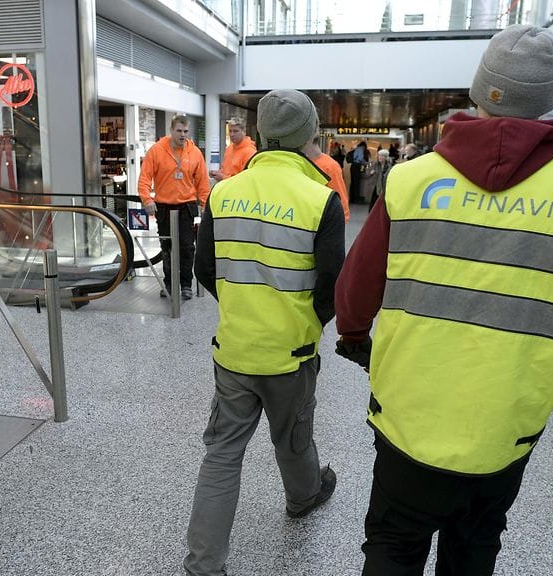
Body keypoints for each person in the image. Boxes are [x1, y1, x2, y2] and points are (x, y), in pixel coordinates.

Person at [334, 25, 553, 575]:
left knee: (394, 543)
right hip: (507, 423)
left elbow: (355, 292)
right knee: (475, 546)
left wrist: (354, 336)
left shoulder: (411, 180)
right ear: (549, 100)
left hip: (408, 414)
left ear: (478, 89)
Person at [185, 89, 346, 576]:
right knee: (293, 436)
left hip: (233, 349)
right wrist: (306, 322)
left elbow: (205, 269)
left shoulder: (224, 192)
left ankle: (203, 566)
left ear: (260, 136)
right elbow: (333, 286)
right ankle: (302, 496)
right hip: (291, 353)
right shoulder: (322, 200)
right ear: (308, 137)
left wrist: (242, 307)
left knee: (221, 454)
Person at [138, 115, 210, 300]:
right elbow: (145, 178)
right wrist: (147, 200)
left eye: (186, 131)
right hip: (163, 208)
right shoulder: (156, 151)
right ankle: (169, 284)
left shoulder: (194, 153)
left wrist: (204, 206)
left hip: (186, 207)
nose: (183, 135)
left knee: (187, 248)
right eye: (179, 131)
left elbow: (202, 182)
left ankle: (186, 284)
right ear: (171, 130)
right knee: (167, 248)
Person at [305, 136, 350, 222]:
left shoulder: (330, 166)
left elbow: (340, 197)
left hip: (321, 221)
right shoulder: (300, 162)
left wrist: (341, 220)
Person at [208, 117, 256, 182]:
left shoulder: (250, 152)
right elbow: (225, 170)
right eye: (230, 131)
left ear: (244, 132)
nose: (232, 134)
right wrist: (217, 173)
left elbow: (246, 180)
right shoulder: (229, 148)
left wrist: (223, 178)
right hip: (226, 189)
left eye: (235, 131)